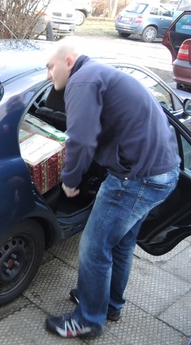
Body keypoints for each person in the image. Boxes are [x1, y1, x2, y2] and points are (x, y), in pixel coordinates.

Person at [43, 43, 180, 338]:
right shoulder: (100, 75)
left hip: (135, 180)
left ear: (69, 61)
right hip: (163, 172)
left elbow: (80, 140)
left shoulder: (82, 80)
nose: (47, 74)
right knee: (120, 244)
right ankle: (110, 304)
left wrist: (70, 179)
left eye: (50, 66)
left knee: (93, 248)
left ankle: (88, 320)